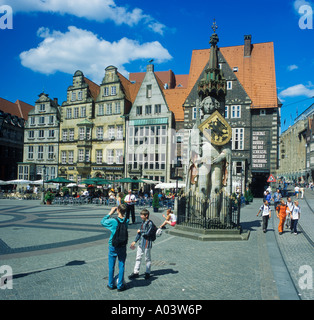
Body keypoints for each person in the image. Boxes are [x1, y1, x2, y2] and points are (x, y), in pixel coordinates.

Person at [101, 204, 128, 291]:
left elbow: (103, 222)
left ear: (118, 210)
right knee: (121, 265)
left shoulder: (113, 221)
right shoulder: (127, 220)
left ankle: (110, 284)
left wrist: (110, 213)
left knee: (111, 265)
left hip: (113, 245)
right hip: (122, 246)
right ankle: (120, 285)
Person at [129, 209, 154, 280]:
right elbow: (138, 233)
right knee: (138, 257)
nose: (141, 216)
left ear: (146, 215)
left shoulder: (150, 223)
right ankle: (136, 272)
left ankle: (147, 272)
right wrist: (135, 241)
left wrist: (141, 231)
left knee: (147, 258)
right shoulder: (142, 223)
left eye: (142, 215)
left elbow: (148, 232)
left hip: (147, 243)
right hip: (140, 243)